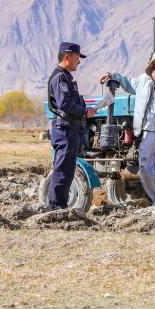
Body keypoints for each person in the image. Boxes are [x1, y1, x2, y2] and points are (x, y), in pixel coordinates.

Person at [100, 49, 155, 207]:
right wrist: (113, 76)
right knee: (145, 168)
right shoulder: (143, 80)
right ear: (152, 65)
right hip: (146, 131)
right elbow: (128, 83)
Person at [46, 42, 96, 210]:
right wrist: (84, 112)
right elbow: (65, 103)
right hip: (65, 129)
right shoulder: (60, 78)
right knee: (62, 169)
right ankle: (55, 208)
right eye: (77, 57)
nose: (79, 62)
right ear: (67, 56)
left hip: (70, 128)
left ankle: (60, 206)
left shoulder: (65, 77)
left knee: (67, 170)